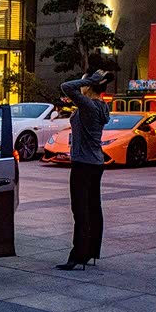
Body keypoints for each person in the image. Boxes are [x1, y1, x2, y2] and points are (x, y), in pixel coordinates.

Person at [56, 69, 113, 271]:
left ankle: (78, 254)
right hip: (95, 162)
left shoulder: (89, 105)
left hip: (83, 163)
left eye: (83, 83)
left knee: (80, 208)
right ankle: (91, 251)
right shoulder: (100, 106)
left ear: (89, 86)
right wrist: (90, 81)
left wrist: (89, 80)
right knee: (93, 206)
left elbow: (66, 87)